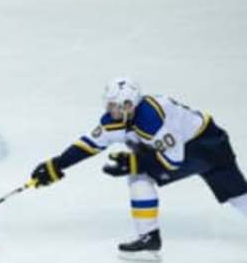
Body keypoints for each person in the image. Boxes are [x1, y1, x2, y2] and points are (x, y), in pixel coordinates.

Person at [30, 77, 247, 260]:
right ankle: (149, 239)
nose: (110, 109)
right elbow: (90, 143)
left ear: (128, 105)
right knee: (238, 196)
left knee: (139, 174)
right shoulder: (120, 117)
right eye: (109, 104)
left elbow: (173, 161)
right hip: (207, 142)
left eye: (114, 105)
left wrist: (134, 163)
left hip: (205, 147)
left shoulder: (151, 121)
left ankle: (149, 239)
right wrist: (57, 164)